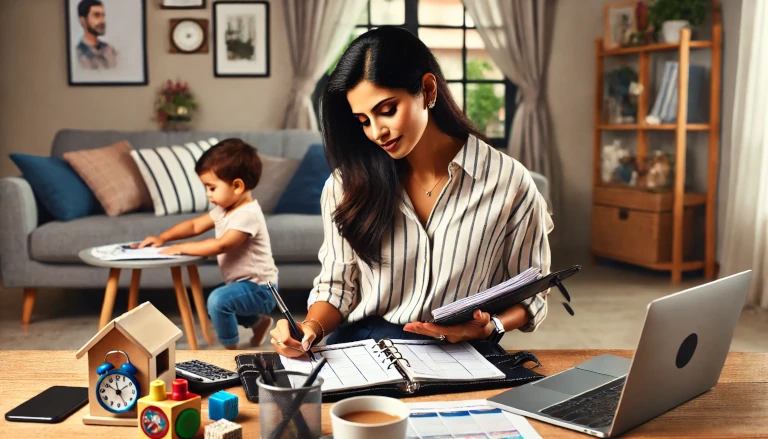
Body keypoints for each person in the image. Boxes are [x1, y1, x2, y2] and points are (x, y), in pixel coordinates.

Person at [271, 27, 553, 358]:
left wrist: (493, 327)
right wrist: (309, 328)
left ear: (428, 89)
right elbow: (337, 286)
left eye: (387, 110)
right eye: (363, 120)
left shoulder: (509, 182)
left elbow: (531, 291)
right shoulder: (345, 185)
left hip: (466, 349)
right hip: (367, 343)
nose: (377, 132)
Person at [137, 139, 278, 350]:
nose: (208, 194)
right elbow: (194, 226)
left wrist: (181, 248)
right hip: (243, 285)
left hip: (261, 289)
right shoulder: (225, 209)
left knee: (218, 301)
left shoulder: (247, 215)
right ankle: (258, 323)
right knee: (219, 305)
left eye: (211, 188)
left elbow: (221, 245)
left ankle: (229, 352)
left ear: (237, 186)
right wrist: (163, 238)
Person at [76, 0, 118, 70]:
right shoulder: (78, 55)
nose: (102, 21)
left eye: (103, 16)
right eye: (97, 16)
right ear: (83, 20)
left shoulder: (110, 50)